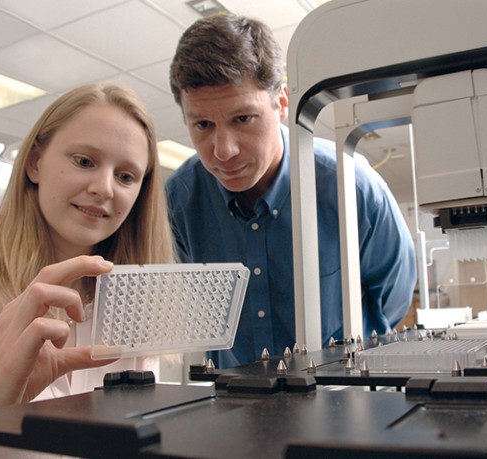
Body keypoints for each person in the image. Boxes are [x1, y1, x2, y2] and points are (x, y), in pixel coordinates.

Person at [0, 83, 174, 457]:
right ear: (35, 162)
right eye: (84, 161)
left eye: (126, 176)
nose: (104, 188)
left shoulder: (131, 320)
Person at [166, 14, 417, 369]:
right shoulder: (179, 200)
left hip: (342, 395)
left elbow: (390, 300)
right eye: (203, 125)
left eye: (243, 119)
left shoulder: (350, 183)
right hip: (237, 401)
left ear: (282, 104)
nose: (223, 150)